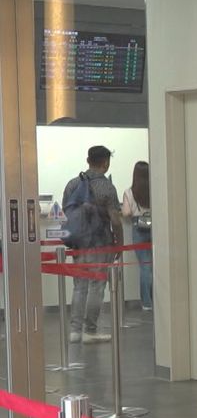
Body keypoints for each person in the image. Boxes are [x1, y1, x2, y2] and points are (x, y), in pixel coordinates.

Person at [62, 145, 122, 344]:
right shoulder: (107, 187)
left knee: (79, 287)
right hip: (100, 243)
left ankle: (74, 331)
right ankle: (90, 330)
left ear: (88, 161)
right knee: (97, 286)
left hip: (79, 243)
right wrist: (119, 244)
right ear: (106, 163)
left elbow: (66, 214)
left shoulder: (72, 184)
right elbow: (115, 219)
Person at [122, 160, 152, 311]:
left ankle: (147, 303)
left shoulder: (129, 192)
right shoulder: (155, 189)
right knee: (157, 266)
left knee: (145, 267)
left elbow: (126, 213)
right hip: (155, 227)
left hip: (138, 227)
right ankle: (159, 300)